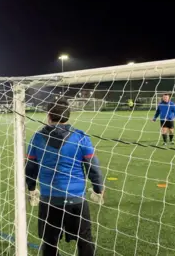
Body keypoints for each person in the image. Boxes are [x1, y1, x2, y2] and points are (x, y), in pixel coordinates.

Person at [25, 98, 104, 256]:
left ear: (49, 115)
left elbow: (30, 168)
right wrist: (98, 189)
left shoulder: (37, 138)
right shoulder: (80, 137)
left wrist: (32, 190)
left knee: (49, 242)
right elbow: (93, 167)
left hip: (49, 199)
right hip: (76, 200)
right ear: (68, 115)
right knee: (85, 240)